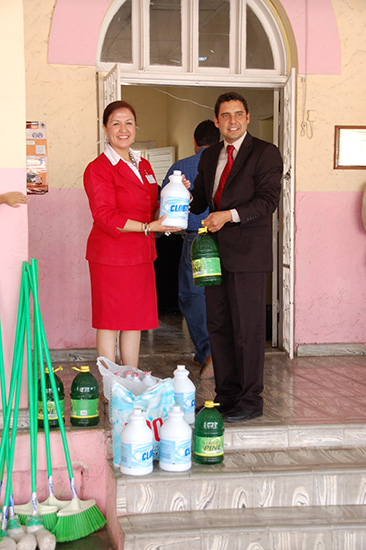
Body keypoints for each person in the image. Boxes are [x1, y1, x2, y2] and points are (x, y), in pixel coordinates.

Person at [189, 91, 283, 422]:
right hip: (214, 256)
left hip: (248, 255)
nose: (232, 121)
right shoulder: (209, 154)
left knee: (248, 329)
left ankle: (250, 400)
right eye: (225, 115)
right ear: (217, 121)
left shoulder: (265, 153)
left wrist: (228, 215)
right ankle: (225, 395)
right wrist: (182, 192)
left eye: (238, 114)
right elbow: (201, 200)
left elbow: (267, 201)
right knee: (220, 327)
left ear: (247, 117)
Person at [84, 100, 181, 367]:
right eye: (115, 123)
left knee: (134, 321)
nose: (123, 129)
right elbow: (105, 216)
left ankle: (131, 378)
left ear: (136, 127)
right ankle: (110, 388)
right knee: (110, 321)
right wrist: (149, 227)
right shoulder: (98, 168)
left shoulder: (144, 165)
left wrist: (177, 193)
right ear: (105, 128)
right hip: (111, 256)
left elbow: (152, 206)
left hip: (140, 254)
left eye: (128, 123)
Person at [162, 120, 220, 379]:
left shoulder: (180, 167)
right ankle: (220, 354)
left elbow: (165, 201)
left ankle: (208, 352)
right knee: (222, 299)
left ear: (194, 143)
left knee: (193, 298)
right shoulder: (225, 164)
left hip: (195, 241)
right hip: (224, 239)